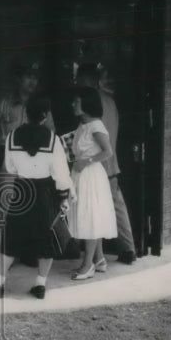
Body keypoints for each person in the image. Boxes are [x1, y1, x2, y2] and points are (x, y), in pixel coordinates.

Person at [0, 96, 75, 300]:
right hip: (45, 192)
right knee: (46, 238)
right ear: (45, 115)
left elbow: (10, 168)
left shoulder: (12, 136)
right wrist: (64, 197)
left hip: (21, 190)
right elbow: (61, 175)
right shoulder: (53, 139)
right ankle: (40, 285)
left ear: (26, 114)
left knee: (11, 238)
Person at [76, 63, 138, 264]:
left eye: (80, 79)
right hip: (111, 163)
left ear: (88, 81)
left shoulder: (92, 104)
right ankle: (125, 248)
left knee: (96, 209)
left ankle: (101, 254)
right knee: (115, 205)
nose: (77, 83)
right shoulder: (110, 101)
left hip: (98, 165)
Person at [67, 86, 117, 280]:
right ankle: (100, 259)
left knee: (90, 218)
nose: (73, 104)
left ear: (87, 104)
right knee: (91, 216)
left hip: (91, 176)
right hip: (82, 175)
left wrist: (86, 161)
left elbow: (108, 152)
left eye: (77, 101)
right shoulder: (83, 124)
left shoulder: (96, 126)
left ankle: (87, 265)